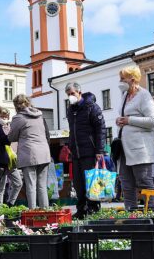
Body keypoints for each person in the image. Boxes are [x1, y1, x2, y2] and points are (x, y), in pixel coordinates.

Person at [115, 66, 154, 210]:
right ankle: (131, 214)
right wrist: (120, 121)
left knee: (144, 181)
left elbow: (153, 121)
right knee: (126, 183)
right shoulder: (124, 96)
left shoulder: (144, 96)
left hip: (140, 150)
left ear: (132, 80)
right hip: (124, 149)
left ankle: (153, 213)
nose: (120, 81)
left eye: (123, 79)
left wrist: (129, 120)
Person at [65, 83, 105, 218]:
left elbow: (100, 129)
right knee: (78, 183)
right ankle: (81, 209)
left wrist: (100, 149)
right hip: (76, 152)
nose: (70, 97)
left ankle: (93, 208)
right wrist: (70, 146)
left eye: (72, 93)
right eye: (68, 94)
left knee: (92, 182)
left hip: (90, 151)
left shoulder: (91, 107)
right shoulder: (71, 110)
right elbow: (72, 130)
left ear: (79, 92)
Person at [8, 94, 51, 209]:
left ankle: (32, 213)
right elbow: (47, 134)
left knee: (31, 185)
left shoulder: (18, 118)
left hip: (29, 154)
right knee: (42, 185)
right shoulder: (40, 115)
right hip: (44, 153)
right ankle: (45, 212)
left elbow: (11, 137)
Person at [0, 108, 23, 206]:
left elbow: (15, 143)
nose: (4, 118)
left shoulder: (12, 128)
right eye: (2, 116)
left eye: (5, 116)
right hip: (1, 160)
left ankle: (10, 203)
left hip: (12, 161)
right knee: (1, 187)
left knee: (18, 183)